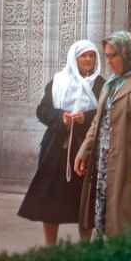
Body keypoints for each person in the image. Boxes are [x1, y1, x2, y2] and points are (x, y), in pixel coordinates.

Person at [74, 31, 131, 237]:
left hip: (129, 164)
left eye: (114, 55)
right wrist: (84, 150)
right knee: (104, 222)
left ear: (128, 54)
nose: (109, 61)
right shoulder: (111, 84)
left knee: (127, 223)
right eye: (106, 55)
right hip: (104, 162)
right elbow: (99, 120)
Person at [18, 40, 104, 245]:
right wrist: (60, 117)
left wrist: (86, 118)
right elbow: (42, 110)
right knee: (50, 199)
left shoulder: (101, 84)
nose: (89, 59)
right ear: (74, 59)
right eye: (84, 55)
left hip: (86, 148)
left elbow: (107, 113)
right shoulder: (58, 81)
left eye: (92, 55)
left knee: (86, 201)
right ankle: (51, 249)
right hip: (56, 148)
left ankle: (85, 248)